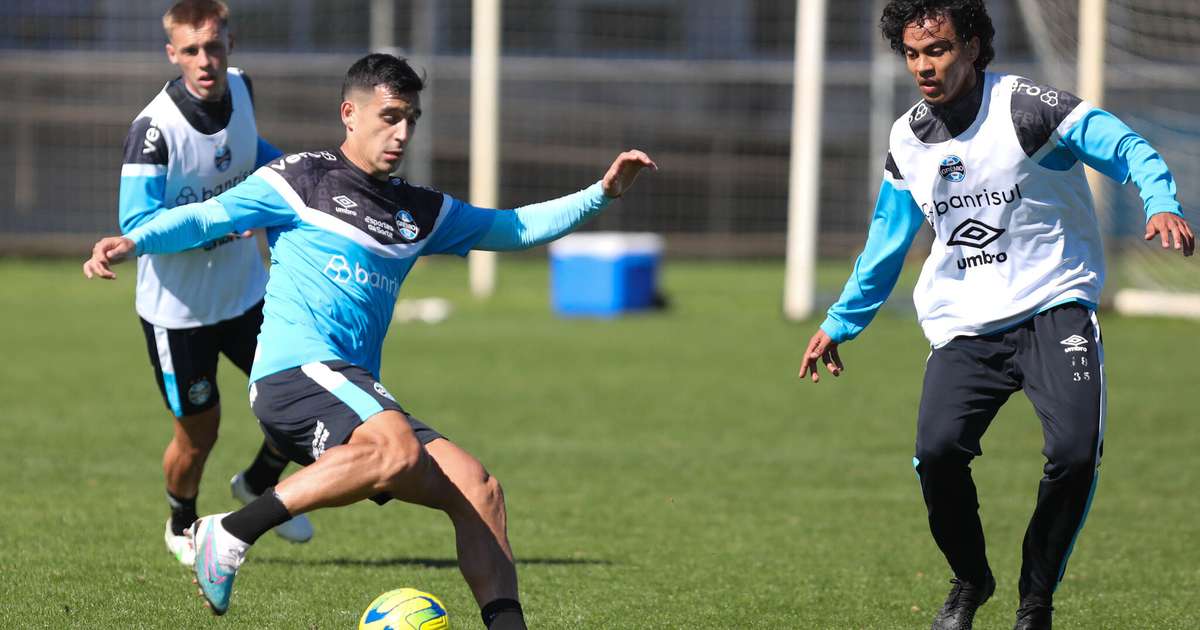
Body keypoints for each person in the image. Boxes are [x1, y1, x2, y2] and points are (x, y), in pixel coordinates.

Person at [86, 52, 656, 628]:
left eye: (411, 118)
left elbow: (515, 228)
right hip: (294, 374)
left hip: (355, 391)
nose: (402, 132)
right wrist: (134, 242)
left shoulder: (420, 210)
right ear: (350, 114)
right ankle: (229, 533)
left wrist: (602, 192)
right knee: (396, 448)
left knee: (480, 490)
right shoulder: (298, 178)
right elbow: (206, 218)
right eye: (389, 116)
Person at [797, 1, 1194, 629]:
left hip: (1054, 306)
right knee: (937, 452)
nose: (924, 66)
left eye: (940, 49)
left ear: (976, 46)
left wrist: (1160, 200)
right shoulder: (909, 138)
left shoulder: (1030, 109)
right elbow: (885, 243)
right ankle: (970, 580)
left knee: (1072, 453)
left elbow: (1124, 144)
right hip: (964, 323)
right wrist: (840, 321)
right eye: (913, 53)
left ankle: (1035, 599)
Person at [119, 0, 315, 566]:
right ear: (172, 53)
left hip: (248, 295)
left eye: (214, 46)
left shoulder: (243, 89)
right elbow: (137, 226)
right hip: (178, 315)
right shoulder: (152, 131)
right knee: (199, 434)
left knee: (298, 399)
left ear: (229, 42)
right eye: (191, 50)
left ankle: (258, 482)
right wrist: (221, 224)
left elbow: (258, 157)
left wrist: (301, 176)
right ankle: (181, 521)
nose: (205, 60)